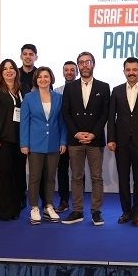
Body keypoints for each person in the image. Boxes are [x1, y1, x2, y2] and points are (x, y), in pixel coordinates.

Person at [61, 52, 110, 225]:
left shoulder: (104, 87)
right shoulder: (70, 87)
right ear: (78, 66)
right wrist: (76, 133)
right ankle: (77, 211)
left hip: (95, 140)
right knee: (76, 177)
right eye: (81, 62)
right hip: (75, 140)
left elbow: (105, 113)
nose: (84, 65)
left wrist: (93, 133)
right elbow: (66, 113)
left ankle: (96, 211)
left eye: (88, 62)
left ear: (93, 64)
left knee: (97, 177)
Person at [107, 57, 138, 228]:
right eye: (128, 70)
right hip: (120, 142)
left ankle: (136, 214)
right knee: (123, 179)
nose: (131, 73)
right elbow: (111, 117)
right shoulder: (116, 91)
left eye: (134, 70)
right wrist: (111, 139)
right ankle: (126, 212)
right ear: (124, 72)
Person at [21, 66, 67, 224]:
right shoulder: (29, 98)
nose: (43, 79)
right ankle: (34, 207)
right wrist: (24, 143)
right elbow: (24, 122)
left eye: (46, 76)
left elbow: (62, 123)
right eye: (40, 77)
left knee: (50, 177)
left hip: (54, 143)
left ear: (51, 78)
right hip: (35, 144)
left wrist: (63, 141)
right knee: (35, 177)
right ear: (36, 79)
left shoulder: (59, 98)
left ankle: (48, 206)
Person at [0, 59, 29, 221]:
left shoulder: (24, 88)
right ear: (1, 72)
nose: (9, 71)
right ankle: (4, 210)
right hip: (2, 139)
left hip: (21, 138)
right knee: (5, 172)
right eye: (5, 69)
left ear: (16, 71)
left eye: (11, 68)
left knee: (18, 172)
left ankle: (16, 206)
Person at [53, 60, 79, 213]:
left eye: (72, 70)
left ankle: (78, 202)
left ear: (76, 72)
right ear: (63, 72)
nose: (69, 72)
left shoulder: (82, 89)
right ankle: (64, 201)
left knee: (78, 171)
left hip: (78, 136)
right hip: (61, 136)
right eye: (66, 70)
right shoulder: (56, 91)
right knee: (62, 169)